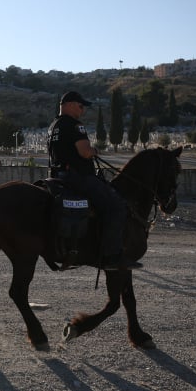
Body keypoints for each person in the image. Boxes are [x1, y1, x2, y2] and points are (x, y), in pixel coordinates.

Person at [47, 91, 141, 270]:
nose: (82, 110)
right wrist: (94, 151)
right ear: (69, 104)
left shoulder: (54, 125)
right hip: (78, 177)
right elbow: (84, 152)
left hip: (57, 176)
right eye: (81, 106)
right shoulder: (75, 125)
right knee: (117, 206)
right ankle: (112, 256)